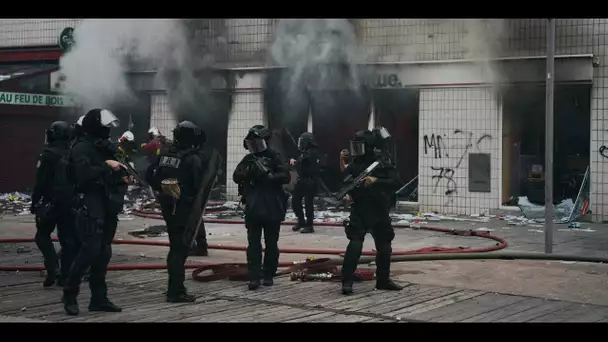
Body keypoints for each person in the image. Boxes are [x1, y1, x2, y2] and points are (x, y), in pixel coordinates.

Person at [62, 108, 125, 316]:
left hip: (106, 205)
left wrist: (121, 176)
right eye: (104, 126)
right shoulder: (82, 148)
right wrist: (107, 166)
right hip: (89, 204)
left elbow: (111, 176)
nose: (107, 130)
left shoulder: (103, 147)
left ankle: (99, 298)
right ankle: (70, 294)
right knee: (89, 251)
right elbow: (83, 175)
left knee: (103, 252)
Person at [147, 121, 205, 303]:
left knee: (175, 247)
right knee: (180, 250)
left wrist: (165, 191)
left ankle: (175, 288)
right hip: (185, 209)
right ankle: (176, 291)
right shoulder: (192, 159)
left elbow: (151, 176)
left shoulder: (164, 155)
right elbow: (199, 186)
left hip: (168, 207)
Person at [340, 130, 403, 295]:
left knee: (384, 245)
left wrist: (376, 181)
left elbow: (396, 181)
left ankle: (383, 280)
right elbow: (344, 182)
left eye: (359, 146)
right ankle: (347, 281)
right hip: (361, 208)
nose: (356, 150)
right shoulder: (355, 165)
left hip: (379, 208)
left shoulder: (381, 163)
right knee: (355, 243)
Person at [233, 125, 290, 290]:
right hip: (254, 205)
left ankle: (268, 274)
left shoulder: (275, 157)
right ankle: (254, 276)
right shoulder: (249, 159)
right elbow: (236, 176)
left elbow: (285, 176)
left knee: (271, 243)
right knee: (253, 244)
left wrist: (270, 177)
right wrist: (249, 173)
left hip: (272, 204)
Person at [30, 121, 75, 288]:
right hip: (69, 202)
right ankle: (65, 274)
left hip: (49, 203)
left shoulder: (47, 154)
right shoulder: (72, 153)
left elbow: (40, 182)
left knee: (42, 236)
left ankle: (53, 268)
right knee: (67, 240)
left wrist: (35, 202)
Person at [289, 132, 323, 234]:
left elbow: (304, 162)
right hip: (302, 180)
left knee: (308, 204)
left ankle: (309, 225)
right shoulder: (305, 152)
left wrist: (295, 162)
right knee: (295, 201)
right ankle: (301, 221)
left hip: (310, 181)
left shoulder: (313, 152)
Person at [189, 128, 210, 257]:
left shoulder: (195, 157)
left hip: (192, 193)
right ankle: (199, 244)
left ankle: (200, 245)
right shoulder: (202, 154)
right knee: (196, 218)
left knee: (194, 219)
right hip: (198, 192)